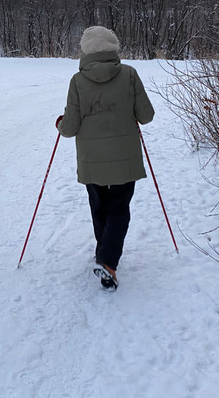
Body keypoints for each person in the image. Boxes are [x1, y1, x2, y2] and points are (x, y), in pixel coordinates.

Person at [57, 26, 154, 290]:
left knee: (99, 206)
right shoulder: (130, 75)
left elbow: (70, 128)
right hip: (125, 158)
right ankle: (107, 261)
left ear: (86, 50)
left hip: (92, 159)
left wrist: (60, 124)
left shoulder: (78, 81)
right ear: (114, 48)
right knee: (119, 208)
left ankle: (104, 254)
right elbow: (146, 116)